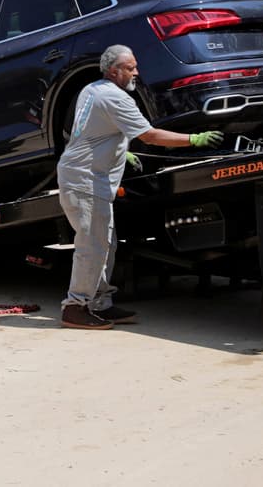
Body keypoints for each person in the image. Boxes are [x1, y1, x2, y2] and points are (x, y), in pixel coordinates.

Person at [56, 45, 224, 330]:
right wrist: (194, 139)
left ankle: (99, 304)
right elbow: (150, 135)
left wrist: (122, 151)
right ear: (113, 71)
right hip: (85, 180)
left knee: (104, 245)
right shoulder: (115, 97)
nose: (136, 72)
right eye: (130, 68)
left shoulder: (91, 90)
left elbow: (91, 131)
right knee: (92, 246)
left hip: (82, 177)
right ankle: (75, 307)